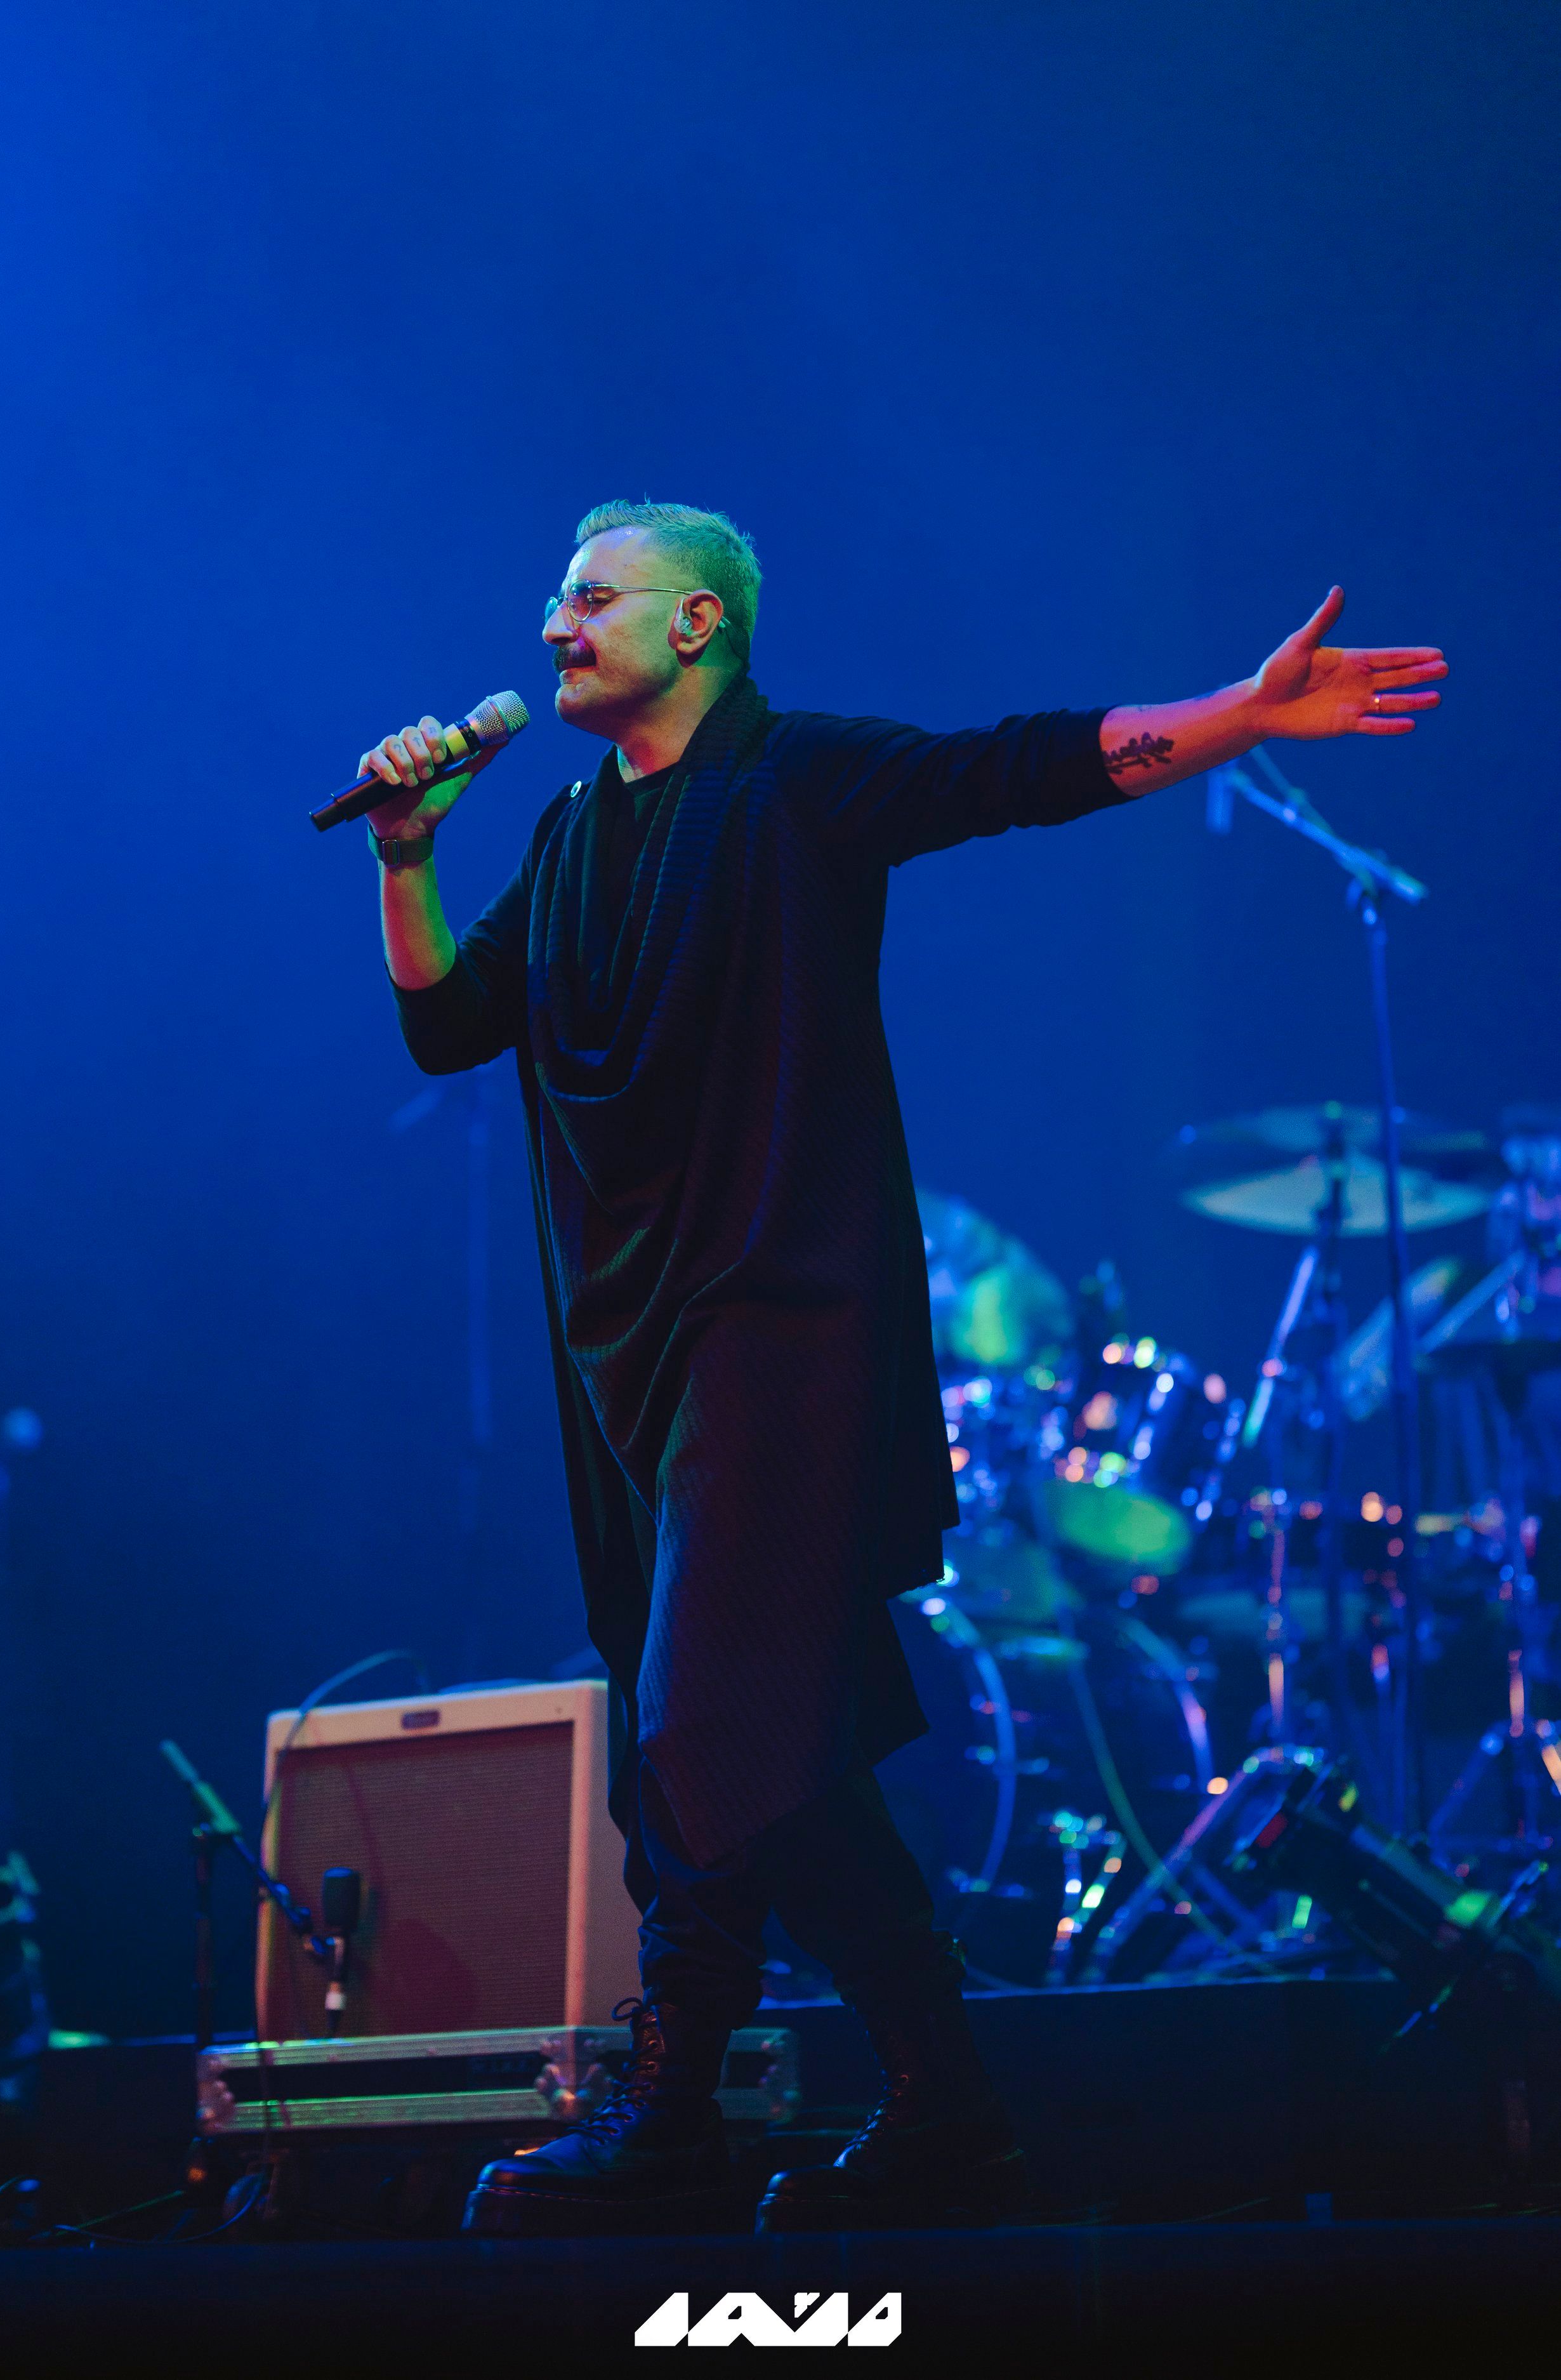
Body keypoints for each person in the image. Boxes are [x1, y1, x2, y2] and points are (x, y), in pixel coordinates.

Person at [360, 499, 1445, 2234]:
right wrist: (407, 854)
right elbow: (444, 1020)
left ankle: (683, 2100)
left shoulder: (797, 780)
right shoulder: (564, 837)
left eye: (590, 595)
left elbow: (1006, 771)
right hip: (625, 1351)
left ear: (698, 625)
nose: (553, 623)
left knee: (703, 1720)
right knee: (728, 1746)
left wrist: (1235, 716)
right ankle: (935, 2111)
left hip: (779, 1331)